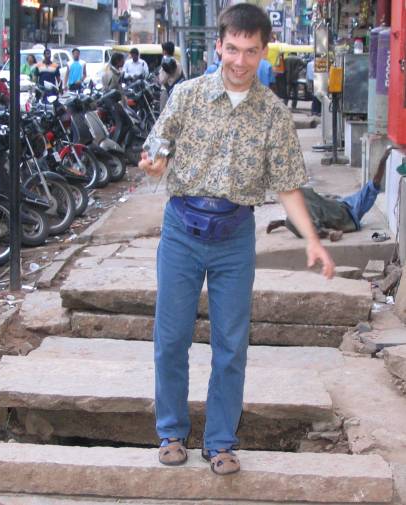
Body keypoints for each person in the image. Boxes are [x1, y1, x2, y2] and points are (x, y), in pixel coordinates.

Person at [139, 3, 334, 476]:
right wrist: (154, 163)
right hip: (182, 230)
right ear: (219, 46)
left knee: (231, 343)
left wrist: (312, 239)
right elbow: (155, 148)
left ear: (263, 50)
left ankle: (221, 442)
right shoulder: (185, 96)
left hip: (234, 237)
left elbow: (288, 185)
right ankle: (171, 431)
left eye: (250, 51)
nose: (240, 61)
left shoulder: (272, 113)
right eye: (232, 49)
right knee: (171, 338)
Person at [267, 147, 393, 241]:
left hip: (344, 216)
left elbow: (376, 181)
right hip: (335, 209)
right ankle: (319, 229)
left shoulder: (359, 204)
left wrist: (383, 160)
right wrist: (282, 223)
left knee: (302, 198)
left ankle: (325, 232)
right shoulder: (346, 201)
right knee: (296, 211)